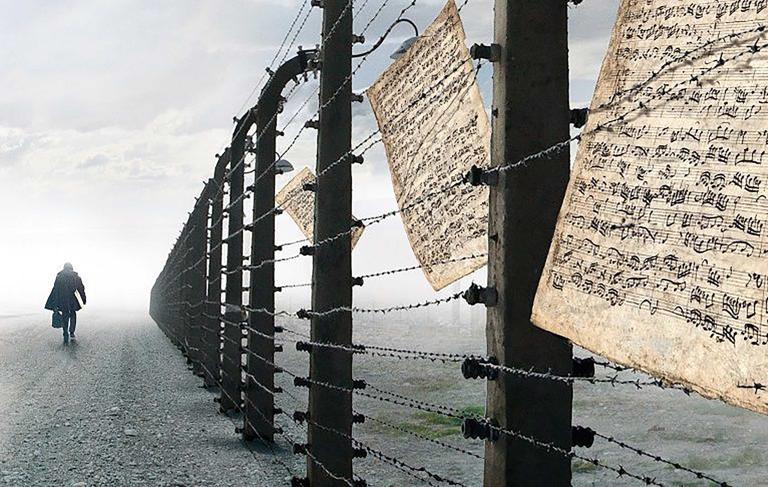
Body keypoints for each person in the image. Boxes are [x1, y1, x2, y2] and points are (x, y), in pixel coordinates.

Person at [45, 263, 86, 344]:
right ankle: (72, 332)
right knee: (73, 314)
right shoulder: (76, 277)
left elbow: (55, 290)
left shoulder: (59, 277)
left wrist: (54, 303)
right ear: (72, 268)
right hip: (72, 299)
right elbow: (81, 289)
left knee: (65, 315)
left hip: (62, 299)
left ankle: (65, 333)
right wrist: (83, 299)